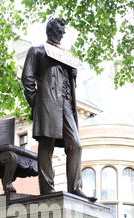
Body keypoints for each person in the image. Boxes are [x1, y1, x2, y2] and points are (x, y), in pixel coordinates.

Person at [21, 17, 96, 202]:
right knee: (47, 146)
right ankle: (47, 189)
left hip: (66, 105)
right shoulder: (36, 51)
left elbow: (70, 83)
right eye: (60, 28)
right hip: (46, 104)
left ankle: (75, 188)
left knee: (76, 144)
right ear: (50, 30)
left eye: (64, 30)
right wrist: (37, 104)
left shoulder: (66, 56)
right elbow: (27, 79)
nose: (63, 32)